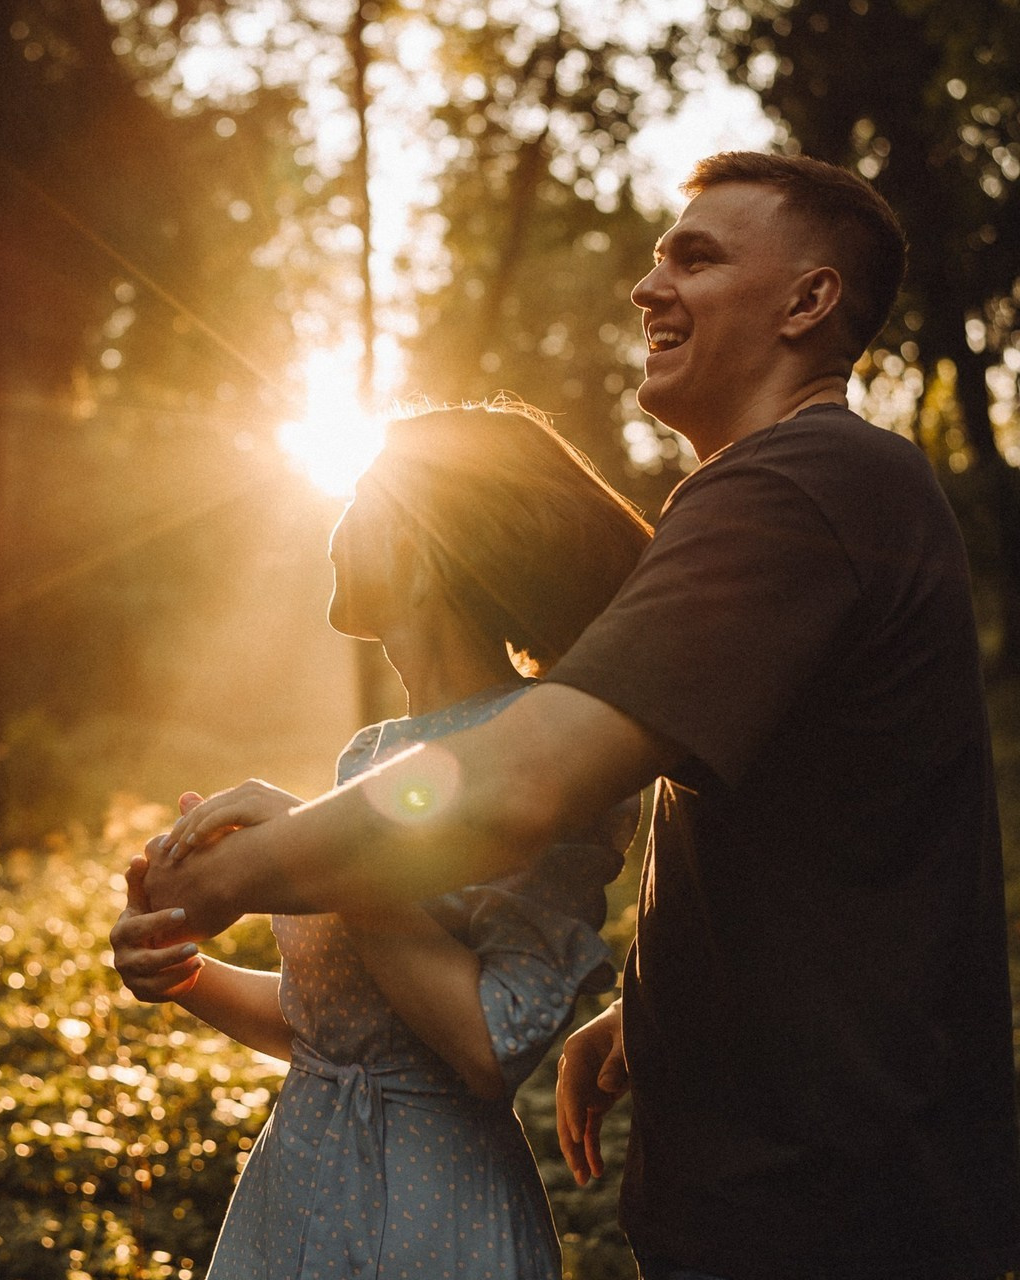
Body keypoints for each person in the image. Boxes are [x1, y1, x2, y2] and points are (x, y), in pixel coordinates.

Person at [127, 152, 1020, 1279]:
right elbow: (806, 825)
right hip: (802, 1182)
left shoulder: (801, 482)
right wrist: (644, 1014)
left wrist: (224, 878)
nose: (649, 288)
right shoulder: (799, 492)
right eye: (655, 259)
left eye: (695, 258)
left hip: (828, 1206)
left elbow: (511, 786)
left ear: (807, 301)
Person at [113, 401, 653, 1278]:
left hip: (432, 1216)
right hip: (299, 1185)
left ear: (419, 552)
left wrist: (320, 864)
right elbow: (333, 1033)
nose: (334, 528)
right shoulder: (369, 754)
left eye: (360, 495)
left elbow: (485, 1048)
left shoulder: (540, 743)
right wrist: (181, 973)